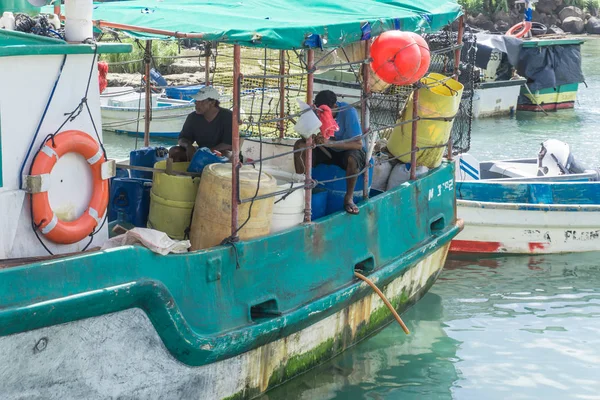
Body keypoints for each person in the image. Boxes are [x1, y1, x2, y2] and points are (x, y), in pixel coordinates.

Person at [294, 90, 366, 215]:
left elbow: (358, 144)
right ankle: (300, 189)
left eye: (326, 112)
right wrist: (312, 138)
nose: (322, 115)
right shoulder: (317, 111)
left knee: (353, 160)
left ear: (335, 106)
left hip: (346, 149)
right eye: (320, 112)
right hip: (326, 149)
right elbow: (307, 133)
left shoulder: (348, 112)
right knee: (299, 145)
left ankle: (348, 198)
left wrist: (330, 143)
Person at [178, 86, 233, 161]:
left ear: (212, 103)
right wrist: (188, 146)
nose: (196, 103)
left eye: (201, 101)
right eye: (196, 100)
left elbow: (229, 144)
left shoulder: (228, 116)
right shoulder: (193, 117)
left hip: (220, 152)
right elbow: (182, 138)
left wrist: (207, 152)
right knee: (175, 151)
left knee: (227, 156)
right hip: (200, 151)